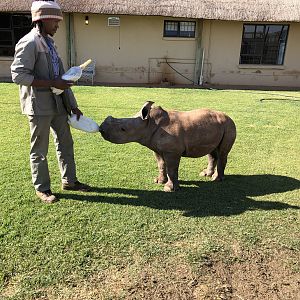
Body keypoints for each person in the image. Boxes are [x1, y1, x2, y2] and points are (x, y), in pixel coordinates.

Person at [11, 0, 90, 203]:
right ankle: (42, 188)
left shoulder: (51, 44)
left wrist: (72, 104)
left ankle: (70, 181)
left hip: (60, 106)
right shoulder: (29, 42)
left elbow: (62, 78)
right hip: (39, 106)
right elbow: (18, 75)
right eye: (56, 20)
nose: (58, 25)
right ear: (43, 19)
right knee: (39, 150)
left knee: (66, 144)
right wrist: (51, 83)